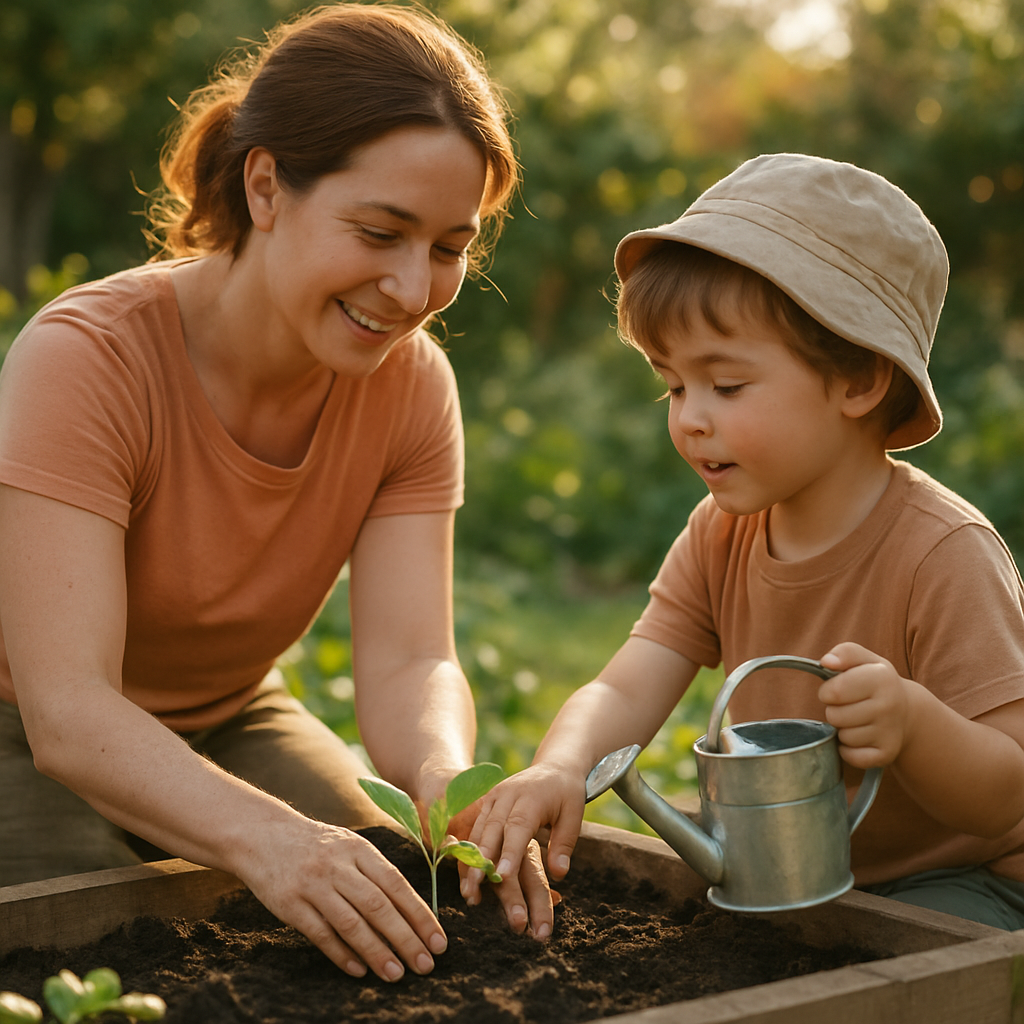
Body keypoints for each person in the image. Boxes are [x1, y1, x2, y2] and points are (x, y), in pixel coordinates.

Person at [0, 2, 551, 983]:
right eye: (379, 231)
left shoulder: (412, 387)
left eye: (448, 248)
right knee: (97, 948)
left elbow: (412, 658)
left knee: (400, 893)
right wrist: (272, 841)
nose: (411, 288)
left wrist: (444, 781)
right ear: (265, 187)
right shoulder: (87, 358)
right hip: (17, 724)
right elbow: (69, 710)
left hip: (229, 711)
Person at [464, 153, 1024, 935]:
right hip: (795, 861)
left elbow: (1007, 793)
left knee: (899, 969)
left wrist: (913, 724)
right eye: (673, 385)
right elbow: (627, 686)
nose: (691, 417)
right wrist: (561, 764)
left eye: (726, 386)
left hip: (960, 880)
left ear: (858, 379)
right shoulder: (720, 533)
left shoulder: (945, 553)